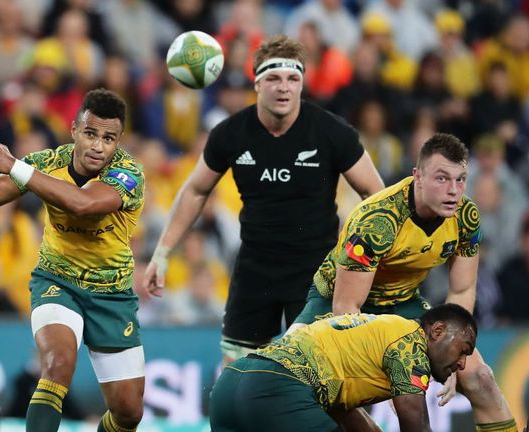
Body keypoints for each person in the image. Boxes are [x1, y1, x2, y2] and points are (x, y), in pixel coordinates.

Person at [141, 34, 385, 365]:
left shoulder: (332, 132)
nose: (283, 87)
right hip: (256, 270)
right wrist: (162, 253)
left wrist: (365, 258)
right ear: (256, 84)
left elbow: (376, 193)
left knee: (323, 377)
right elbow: (196, 190)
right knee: (235, 374)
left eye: (292, 78)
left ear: (302, 83)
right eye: (273, 78)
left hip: (316, 273)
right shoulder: (230, 134)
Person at [0, 88, 145, 432]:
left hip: (112, 295)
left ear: (119, 141)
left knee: (129, 413)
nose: (98, 146)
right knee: (58, 364)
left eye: (108, 138)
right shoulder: (47, 163)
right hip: (57, 283)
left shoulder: (129, 174)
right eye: (90, 134)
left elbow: (81, 203)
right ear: (74, 131)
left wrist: (13, 164)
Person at [290, 133, 518, 432]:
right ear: (418, 177)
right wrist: (384, 374)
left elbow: (462, 289)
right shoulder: (377, 220)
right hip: (338, 301)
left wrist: (453, 356)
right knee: (302, 381)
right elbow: (347, 308)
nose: (453, 191)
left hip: (402, 301)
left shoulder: (466, 217)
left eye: (460, 180)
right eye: (441, 179)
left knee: (481, 378)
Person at [210, 304, 478, 432]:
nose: (463, 363)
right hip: (278, 388)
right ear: (438, 331)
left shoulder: (375, 333)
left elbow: (341, 409)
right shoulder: (411, 341)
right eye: (463, 350)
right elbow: (415, 429)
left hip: (230, 385)